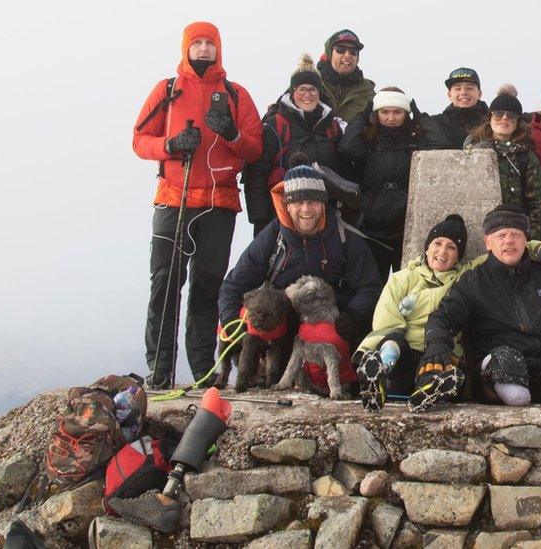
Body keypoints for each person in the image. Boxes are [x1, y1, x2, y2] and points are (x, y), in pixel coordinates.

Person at [133, 21, 262, 388]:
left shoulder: (236, 95)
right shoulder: (168, 90)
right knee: (165, 285)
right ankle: (159, 372)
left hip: (219, 203)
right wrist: (171, 146)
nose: (204, 49)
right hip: (174, 200)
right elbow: (140, 139)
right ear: (186, 48)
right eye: (198, 43)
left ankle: (203, 370)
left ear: (219, 48)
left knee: (207, 288)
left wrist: (231, 134)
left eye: (210, 43)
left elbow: (255, 147)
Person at [417, 205, 541, 411]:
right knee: (506, 362)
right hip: (496, 368)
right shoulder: (472, 282)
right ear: (488, 242)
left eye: (516, 234)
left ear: (526, 240)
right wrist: (436, 346)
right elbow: (442, 318)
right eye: (501, 235)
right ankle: (507, 386)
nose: (509, 241)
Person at [354, 214, 541, 412]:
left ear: (458, 257)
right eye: (437, 244)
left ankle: (429, 388)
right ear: (427, 248)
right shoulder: (403, 278)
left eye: (451, 248)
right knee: (393, 342)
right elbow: (386, 320)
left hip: (439, 354)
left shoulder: (464, 276)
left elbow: (505, 249)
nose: (442, 252)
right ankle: (379, 370)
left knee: (449, 371)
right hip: (405, 352)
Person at [218, 163, 383, 355]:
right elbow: (233, 286)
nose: (306, 209)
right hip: (279, 324)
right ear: (287, 205)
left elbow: (369, 287)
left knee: (332, 337)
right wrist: (230, 322)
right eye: (298, 202)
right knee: (242, 319)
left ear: (323, 203)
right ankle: (260, 368)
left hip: (326, 321)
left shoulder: (344, 237)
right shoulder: (273, 236)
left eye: (313, 201)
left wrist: (352, 316)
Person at [241, 54, 347, 236]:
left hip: (322, 213)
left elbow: (344, 168)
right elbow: (256, 173)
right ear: (292, 91)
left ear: (320, 92)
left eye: (313, 89)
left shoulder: (332, 127)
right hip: (278, 215)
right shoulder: (275, 126)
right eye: (302, 89)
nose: (308, 95)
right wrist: (259, 218)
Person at [338, 87, 440, 275]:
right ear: (376, 113)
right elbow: (347, 148)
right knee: (375, 284)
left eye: (397, 112)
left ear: (405, 114)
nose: (391, 117)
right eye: (385, 112)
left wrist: (421, 117)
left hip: (406, 225)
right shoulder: (368, 140)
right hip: (372, 226)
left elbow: (440, 147)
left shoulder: (414, 140)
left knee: (409, 286)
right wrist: (362, 115)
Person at [464, 94, 541, 239]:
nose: (504, 119)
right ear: (489, 119)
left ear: (517, 124)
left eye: (511, 116)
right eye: (498, 114)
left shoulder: (526, 156)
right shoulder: (472, 151)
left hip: (515, 231)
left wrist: (531, 238)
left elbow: (538, 203)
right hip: (479, 230)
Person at [316, 29, 376, 123]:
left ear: (358, 58)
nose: (347, 55)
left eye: (353, 51)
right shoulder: (309, 83)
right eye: (341, 49)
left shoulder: (368, 93)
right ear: (329, 53)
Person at [429, 67, 489, 149]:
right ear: (449, 95)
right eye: (457, 88)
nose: (463, 92)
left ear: (479, 94)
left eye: (469, 88)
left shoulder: (491, 122)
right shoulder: (435, 123)